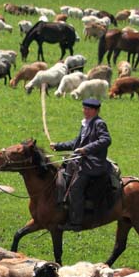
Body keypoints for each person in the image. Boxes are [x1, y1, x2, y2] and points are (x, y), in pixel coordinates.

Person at [50, 97, 112, 231]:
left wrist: (86, 149)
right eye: (84, 108)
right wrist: (58, 146)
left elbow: (106, 140)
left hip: (93, 163)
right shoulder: (86, 124)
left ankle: (76, 222)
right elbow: (76, 143)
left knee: (75, 188)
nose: (85, 111)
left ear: (96, 111)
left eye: (89, 109)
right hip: (81, 161)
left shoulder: (99, 123)